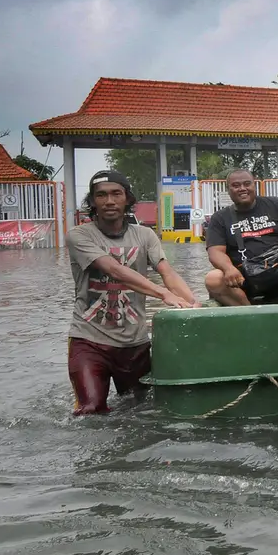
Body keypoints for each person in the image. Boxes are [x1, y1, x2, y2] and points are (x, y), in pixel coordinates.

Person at [66, 170, 201, 416]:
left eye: (116, 194)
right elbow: (114, 270)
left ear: (127, 199)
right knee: (90, 411)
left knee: (142, 411)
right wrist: (163, 295)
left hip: (135, 344)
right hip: (89, 340)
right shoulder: (79, 235)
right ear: (92, 201)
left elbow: (167, 272)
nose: (109, 201)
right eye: (101, 195)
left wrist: (192, 303)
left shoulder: (145, 235)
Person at [204, 169, 278, 306]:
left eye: (247, 184)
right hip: (243, 277)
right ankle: (251, 317)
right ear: (229, 189)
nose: (242, 189)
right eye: (236, 185)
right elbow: (215, 252)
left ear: (254, 185)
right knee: (213, 279)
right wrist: (228, 268)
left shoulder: (274, 204)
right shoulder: (220, 218)